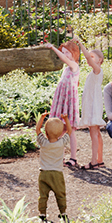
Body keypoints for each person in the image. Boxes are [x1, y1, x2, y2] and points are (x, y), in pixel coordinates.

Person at [47, 38, 85, 166]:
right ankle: (60, 157)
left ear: (74, 53)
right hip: (61, 101)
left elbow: (65, 59)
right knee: (59, 130)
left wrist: (53, 48)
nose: (65, 55)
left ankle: (73, 158)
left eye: (67, 52)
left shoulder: (74, 66)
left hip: (68, 103)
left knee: (70, 131)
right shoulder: (66, 69)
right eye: (63, 52)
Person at [34, 114, 70, 223]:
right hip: (57, 174)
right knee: (60, 194)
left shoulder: (44, 143)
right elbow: (69, 131)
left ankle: (42, 213)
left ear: (46, 132)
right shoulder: (61, 143)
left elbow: (37, 130)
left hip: (44, 173)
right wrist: (66, 119)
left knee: (43, 196)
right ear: (60, 133)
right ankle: (63, 212)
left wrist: (41, 118)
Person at [78, 42, 107, 168]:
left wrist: (80, 43)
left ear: (99, 60)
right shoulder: (93, 73)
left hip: (93, 107)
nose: (89, 59)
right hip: (91, 106)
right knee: (96, 133)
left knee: (94, 133)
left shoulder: (97, 70)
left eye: (92, 57)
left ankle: (94, 161)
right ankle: (99, 159)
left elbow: (88, 59)